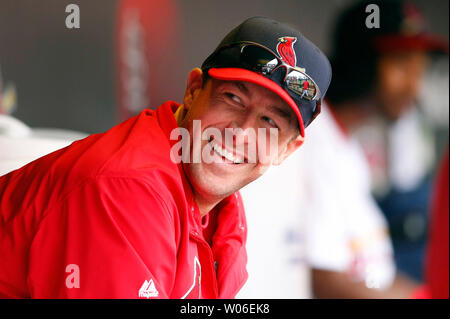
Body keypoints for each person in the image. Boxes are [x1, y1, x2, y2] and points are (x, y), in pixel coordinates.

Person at [0, 17, 331, 298]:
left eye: (269, 122)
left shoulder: (224, 209)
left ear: (287, 149)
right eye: (233, 98)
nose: (241, 133)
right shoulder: (127, 188)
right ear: (193, 90)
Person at [238, 0, 447, 299]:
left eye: (419, 69)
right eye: (402, 65)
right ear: (362, 61)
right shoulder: (306, 141)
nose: (414, 87)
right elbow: (323, 280)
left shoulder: (346, 146)